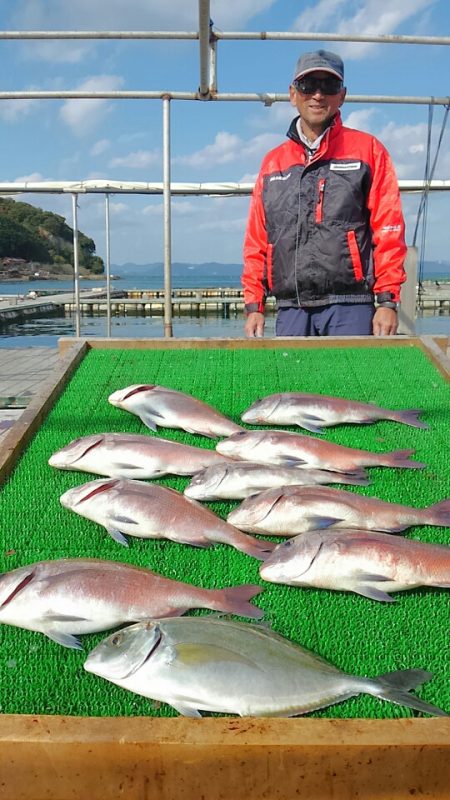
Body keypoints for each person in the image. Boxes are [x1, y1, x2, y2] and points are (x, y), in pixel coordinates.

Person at [242, 49, 407, 338]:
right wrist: (254, 304)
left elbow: (389, 229)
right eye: (308, 86)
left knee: (353, 383)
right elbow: (257, 238)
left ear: (341, 95)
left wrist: (388, 301)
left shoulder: (368, 150)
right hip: (291, 309)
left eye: (328, 86)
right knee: (291, 383)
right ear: (293, 94)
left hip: (351, 306)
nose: (318, 95)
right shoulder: (272, 163)